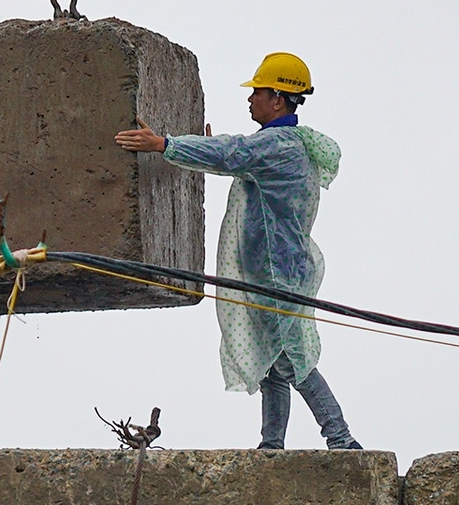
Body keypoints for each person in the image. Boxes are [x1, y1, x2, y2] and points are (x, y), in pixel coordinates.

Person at [114, 52, 363, 450]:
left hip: (277, 273)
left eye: (257, 92)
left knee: (295, 363)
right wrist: (203, 149)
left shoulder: (279, 145)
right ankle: (271, 446)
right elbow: (236, 158)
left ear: (278, 99)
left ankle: (342, 440)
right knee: (274, 366)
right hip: (274, 270)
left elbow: (234, 155)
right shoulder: (281, 145)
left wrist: (163, 144)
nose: (250, 99)